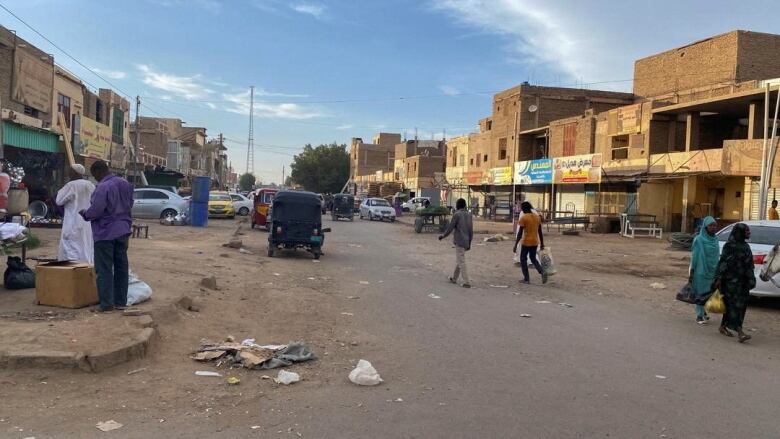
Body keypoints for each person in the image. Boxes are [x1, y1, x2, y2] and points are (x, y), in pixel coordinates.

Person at [80, 161, 134, 312]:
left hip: (105, 232)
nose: (95, 178)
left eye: (94, 175)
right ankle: (120, 302)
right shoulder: (125, 183)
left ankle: (106, 304)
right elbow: (130, 203)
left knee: (104, 269)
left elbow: (96, 210)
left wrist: (85, 214)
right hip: (123, 230)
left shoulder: (103, 187)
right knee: (121, 267)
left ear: (98, 172)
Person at [714, 223, 755, 343]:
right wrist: (719, 278)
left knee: (739, 306)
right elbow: (723, 263)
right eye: (746, 231)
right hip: (730, 282)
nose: (749, 233)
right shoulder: (729, 246)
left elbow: (749, 265)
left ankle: (723, 326)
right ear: (740, 232)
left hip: (743, 283)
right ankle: (740, 331)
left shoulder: (746, 247)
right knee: (735, 306)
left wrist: (751, 278)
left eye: (748, 231)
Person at [55, 164, 95, 263]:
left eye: (70, 171)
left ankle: (73, 269)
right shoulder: (91, 185)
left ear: (75, 173)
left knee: (71, 246)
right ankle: (86, 267)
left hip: (73, 221)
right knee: (85, 245)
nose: (68, 173)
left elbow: (59, 200)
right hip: (87, 221)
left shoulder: (71, 185)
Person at [688, 216, 719, 324]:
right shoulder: (699, 240)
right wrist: (691, 272)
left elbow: (716, 256)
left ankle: (704, 313)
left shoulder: (715, 239)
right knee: (701, 293)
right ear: (705, 227)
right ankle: (699, 316)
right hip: (700, 271)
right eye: (711, 225)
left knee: (709, 293)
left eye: (715, 225)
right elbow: (695, 257)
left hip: (713, 271)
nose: (713, 227)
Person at [439, 198, 473, 288]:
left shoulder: (457, 214)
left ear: (457, 206)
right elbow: (471, 230)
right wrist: (470, 242)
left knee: (461, 261)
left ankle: (467, 282)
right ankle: (454, 278)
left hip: (459, 240)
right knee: (460, 259)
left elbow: (450, 228)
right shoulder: (469, 215)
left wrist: (443, 236)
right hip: (466, 240)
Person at [513, 201, 547, 284]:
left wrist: (516, 244)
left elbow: (520, 233)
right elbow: (540, 232)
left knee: (523, 259)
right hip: (535, 242)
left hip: (526, 242)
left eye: (522, 208)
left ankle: (526, 279)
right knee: (533, 258)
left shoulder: (524, 218)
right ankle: (542, 271)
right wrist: (542, 243)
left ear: (525, 208)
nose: (522, 210)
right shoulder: (537, 217)